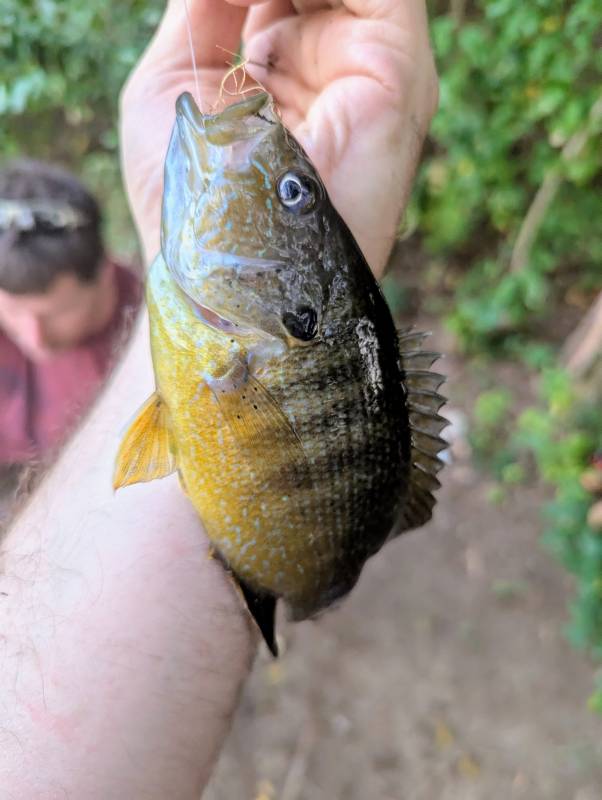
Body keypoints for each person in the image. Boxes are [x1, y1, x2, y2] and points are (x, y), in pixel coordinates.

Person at [0, 0, 437, 797]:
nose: (285, 168)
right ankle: (296, 587)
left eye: (297, 194)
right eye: (300, 190)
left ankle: (301, 587)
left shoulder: (228, 333)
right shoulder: (227, 329)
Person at [0, 160, 142, 513]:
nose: (36, 339)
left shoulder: (151, 332)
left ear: (104, 272)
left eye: (58, 314)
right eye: (15, 312)